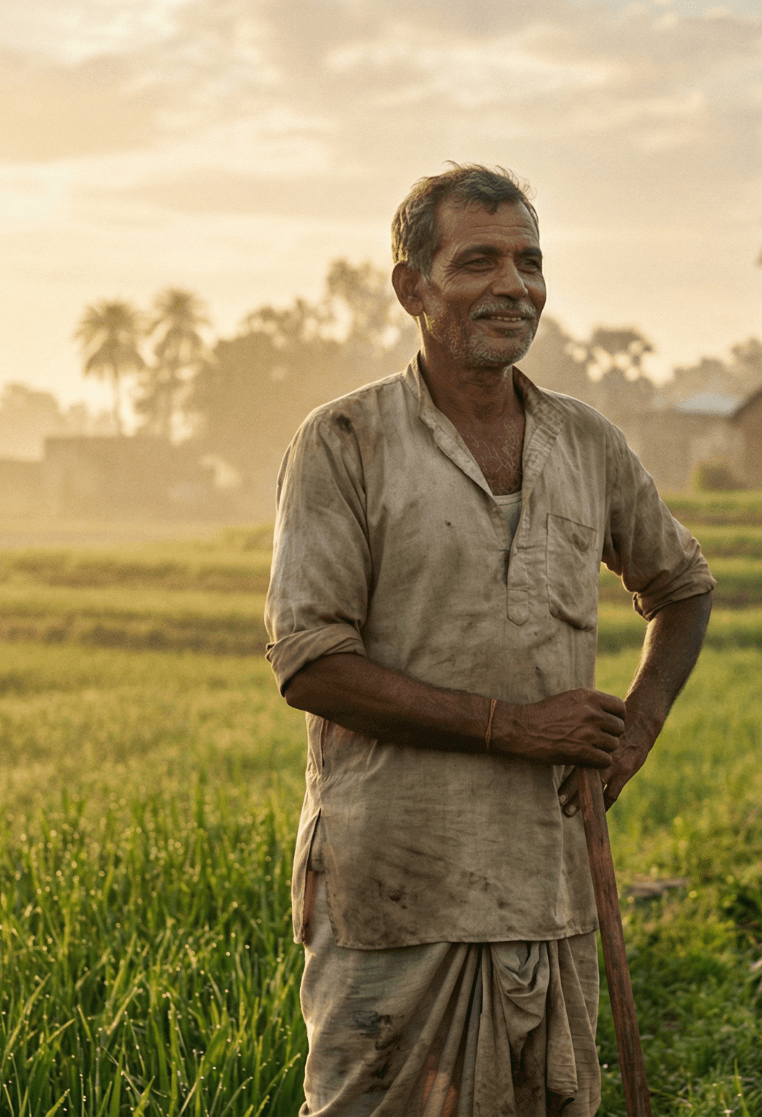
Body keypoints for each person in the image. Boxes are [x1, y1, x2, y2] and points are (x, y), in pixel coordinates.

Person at [264, 163, 715, 1116]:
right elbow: (311, 663)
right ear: (412, 288)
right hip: (395, 885)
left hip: (549, 884)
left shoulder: (586, 444)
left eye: (529, 262)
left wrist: (636, 729)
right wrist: (516, 724)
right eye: (479, 262)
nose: (513, 285)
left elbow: (682, 588)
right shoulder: (345, 440)